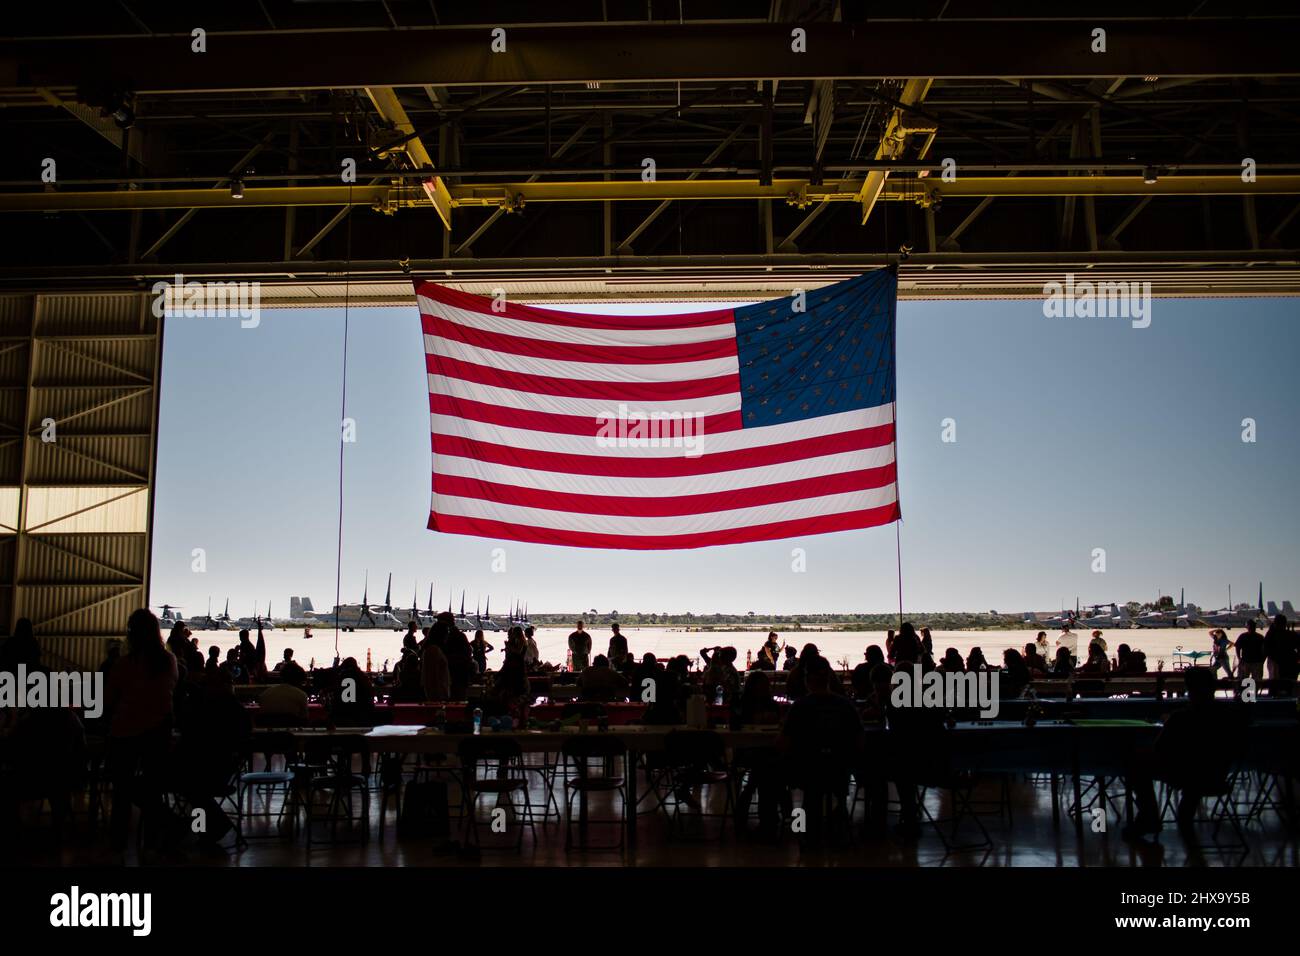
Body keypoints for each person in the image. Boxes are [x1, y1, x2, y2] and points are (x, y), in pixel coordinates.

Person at [1122, 666, 1245, 843]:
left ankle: (1149, 817)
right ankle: (1184, 813)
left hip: (1184, 775)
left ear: (1189, 688)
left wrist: (1168, 723)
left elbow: (1160, 748)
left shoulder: (1180, 718)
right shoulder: (1231, 716)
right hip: (1217, 775)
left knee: (1137, 762)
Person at [105, 609, 178, 852]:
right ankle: (153, 842)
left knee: (122, 793)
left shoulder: (124, 664)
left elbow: (108, 699)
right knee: (154, 790)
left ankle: (117, 843)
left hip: (124, 732)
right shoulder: (169, 661)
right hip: (157, 733)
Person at [777, 656, 863, 844]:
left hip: (807, 772)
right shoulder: (845, 706)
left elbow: (784, 743)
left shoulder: (800, 707)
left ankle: (802, 830)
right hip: (839, 771)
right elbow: (858, 742)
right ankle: (838, 820)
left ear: (807, 681)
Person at [419, 621, 451, 701]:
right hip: (437, 696)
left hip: (438, 694)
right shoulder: (433, 650)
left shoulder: (432, 649)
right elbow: (433, 677)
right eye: (446, 632)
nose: (448, 635)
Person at [1263, 614, 1295, 683]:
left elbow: (1265, 648)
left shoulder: (1270, 634)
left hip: (1275, 662)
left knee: (1274, 683)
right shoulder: (1291, 634)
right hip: (1288, 663)